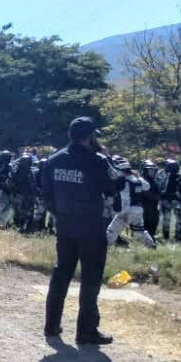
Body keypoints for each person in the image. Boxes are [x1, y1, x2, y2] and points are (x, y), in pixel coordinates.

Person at [42, 117, 119, 344]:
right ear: (90, 136)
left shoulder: (53, 160)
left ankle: (51, 325)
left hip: (65, 226)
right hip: (92, 227)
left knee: (61, 274)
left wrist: (60, 214)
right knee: (90, 279)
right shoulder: (98, 161)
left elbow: (46, 194)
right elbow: (114, 186)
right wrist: (105, 156)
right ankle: (86, 331)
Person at [106, 158, 157, 249]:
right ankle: (151, 245)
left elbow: (125, 199)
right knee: (139, 230)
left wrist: (124, 213)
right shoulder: (139, 180)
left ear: (122, 171)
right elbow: (147, 187)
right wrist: (138, 176)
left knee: (112, 230)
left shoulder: (124, 182)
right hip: (138, 210)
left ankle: (105, 246)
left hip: (127, 210)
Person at [11, 153, 39, 233]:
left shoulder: (16, 171)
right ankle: (23, 228)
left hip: (19, 195)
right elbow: (32, 184)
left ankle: (20, 226)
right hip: (26, 195)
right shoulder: (28, 173)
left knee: (19, 212)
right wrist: (35, 194)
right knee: (25, 212)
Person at [157, 159, 181, 241]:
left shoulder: (168, 177)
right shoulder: (166, 177)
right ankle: (173, 236)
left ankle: (174, 236)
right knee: (170, 219)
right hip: (169, 200)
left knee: (171, 219)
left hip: (172, 200)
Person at [140, 160, 161, 239]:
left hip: (153, 206)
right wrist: (155, 196)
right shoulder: (141, 181)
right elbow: (145, 194)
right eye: (150, 170)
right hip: (144, 206)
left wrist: (158, 196)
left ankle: (152, 235)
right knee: (145, 221)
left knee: (154, 221)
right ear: (145, 171)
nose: (153, 172)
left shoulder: (154, 181)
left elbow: (158, 193)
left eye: (153, 170)